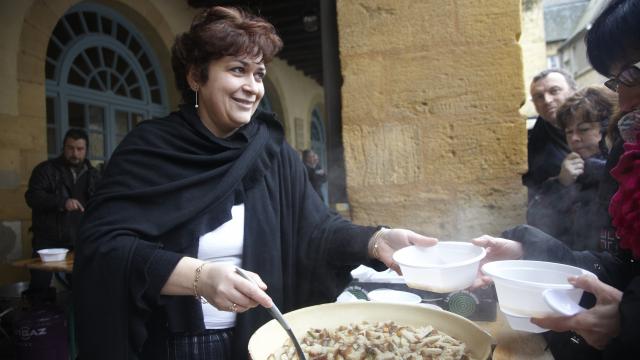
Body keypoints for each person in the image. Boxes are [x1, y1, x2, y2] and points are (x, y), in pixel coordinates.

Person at [72, 7, 437, 360]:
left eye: (259, 74)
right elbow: (104, 248)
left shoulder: (270, 150)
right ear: (196, 77)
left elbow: (317, 230)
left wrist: (375, 241)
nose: (252, 87)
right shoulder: (150, 148)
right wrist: (200, 277)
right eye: (237, 70)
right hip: (181, 345)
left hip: (265, 336)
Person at [473, 1, 640, 357]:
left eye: (633, 75)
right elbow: (619, 264)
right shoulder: (626, 157)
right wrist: (526, 249)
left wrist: (628, 318)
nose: (625, 100)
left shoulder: (617, 156)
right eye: (618, 80)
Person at [527, 86, 616, 251]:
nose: (574, 138)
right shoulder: (570, 173)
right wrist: (561, 183)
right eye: (568, 132)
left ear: (608, 127)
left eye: (584, 129)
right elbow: (537, 221)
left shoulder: (624, 172)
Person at [24, 128, 100, 289]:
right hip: (48, 239)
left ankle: (74, 314)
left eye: (80, 149)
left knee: (82, 285)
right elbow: (32, 197)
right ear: (63, 148)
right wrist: (62, 202)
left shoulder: (94, 175)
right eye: (70, 148)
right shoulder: (45, 170)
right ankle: (39, 313)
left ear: (86, 150)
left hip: (80, 239)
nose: (75, 153)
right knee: (40, 284)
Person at [523, 69, 577, 202]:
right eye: (539, 97)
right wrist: (560, 182)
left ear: (573, 91)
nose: (547, 100)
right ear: (534, 105)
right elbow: (533, 201)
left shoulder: (603, 125)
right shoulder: (530, 150)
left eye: (554, 91)